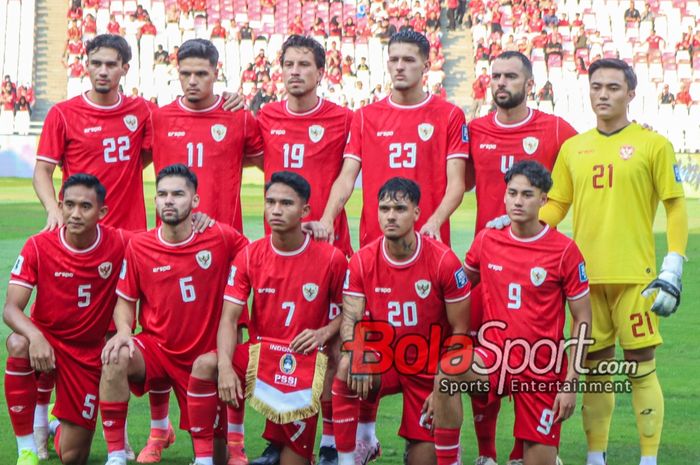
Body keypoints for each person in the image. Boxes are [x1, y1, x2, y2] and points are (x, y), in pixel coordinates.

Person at [541, 58, 688, 465]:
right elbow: (557, 204)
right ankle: (595, 456)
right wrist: (525, 225)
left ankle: (648, 458)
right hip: (585, 279)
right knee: (596, 368)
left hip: (636, 278)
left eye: (613, 87)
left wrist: (673, 263)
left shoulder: (653, 144)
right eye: (596, 87)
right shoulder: (574, 148)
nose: (603, 94)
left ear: (631, 94)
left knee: (641, 365)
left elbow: (675, 207)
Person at [432, 160, 592, 465]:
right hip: (493, 358)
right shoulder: (488, 240)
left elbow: (583, 319)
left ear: (544, 199)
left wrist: (571, 383)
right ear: (504, 196)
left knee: (538, 460)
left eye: (527, 194)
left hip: (542, 367)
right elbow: (458, 290)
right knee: (449, 371)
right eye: (512, 193)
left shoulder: (565, 251)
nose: (518, 201)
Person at [185, 171, 347, 465]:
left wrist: (323, 333)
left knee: (291, 462)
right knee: (205, 365)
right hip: (259, 357)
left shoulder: (330, 258)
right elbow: (229, 318)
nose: (275, 210)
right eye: (270, 202)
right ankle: (206, 459)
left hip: (304, 363)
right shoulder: (250, 255)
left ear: (305, 211)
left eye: (286, 203)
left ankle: (327, 445)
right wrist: (224, 366)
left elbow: (350, 311)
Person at [465, 51, 577, 465]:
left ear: (530, 84)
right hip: (488, 260)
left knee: (533, 360)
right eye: (495, 76)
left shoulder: (555, 128)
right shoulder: (475, 129)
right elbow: (456, 184)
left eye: (511, 76)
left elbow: (580, 172)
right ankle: (485, 454)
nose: (501, 83)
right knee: (482, 367)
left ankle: (520, 453)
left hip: (536, 262)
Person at [98, 164, 249, 465]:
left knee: (216, 458)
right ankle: (115, 456)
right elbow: (124, 302)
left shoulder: (221, 237)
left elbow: (261, 258)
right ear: (154, 201)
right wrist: (125, 332)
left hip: (205, 357)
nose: (169, 200)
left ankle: (234, 442)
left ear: (195, 202)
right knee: (115, 355)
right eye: (162, 194)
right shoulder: (139, 245)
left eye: (178, 194)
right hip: (157, 349)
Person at [332, 177, 470, 465]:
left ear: (417, 214)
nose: (390, 215)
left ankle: (440, 443)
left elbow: (460, 329)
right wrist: (357, 351)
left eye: (399, 208)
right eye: (384, 208)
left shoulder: (443, 261)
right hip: (384, 357)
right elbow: (351, 318)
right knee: (347, 364)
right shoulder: (361, 261)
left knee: (424, 460)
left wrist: (443, 386)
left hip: (429, 366)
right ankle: (355, 449)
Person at [4, 175, 130, 465]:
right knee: (18, 342)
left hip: (86, 354)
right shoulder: (38, 245)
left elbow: (158, 242)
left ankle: (56, 423)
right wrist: (36, 337)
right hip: (44, 341)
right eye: (69, 205)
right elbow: (11, 309)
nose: (75, 213)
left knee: (73, 458)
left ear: (102, 213)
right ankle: (27, 449)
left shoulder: (119, 242)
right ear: (59, 207)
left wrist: (200, 222)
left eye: (85, 206)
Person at [317, 31, 468, 249]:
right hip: (375, 241)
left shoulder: (450, 115)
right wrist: (328, 217)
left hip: (427, 238)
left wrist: (435, 222)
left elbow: (457, 184)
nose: (399, 66)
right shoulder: (365, 116)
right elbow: (346, 178)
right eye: (394, 60)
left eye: (408, 60)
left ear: (426, 67)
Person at [151, 39, 263, 234]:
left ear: (215, 74)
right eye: (185, 74)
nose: (192, 81)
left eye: (201, 74)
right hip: (171, 237)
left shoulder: (239, 118)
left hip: (223, 236)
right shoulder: (158, 118)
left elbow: (263, 160)